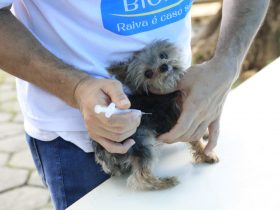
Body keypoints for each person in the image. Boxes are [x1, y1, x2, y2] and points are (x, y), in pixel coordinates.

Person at [0, 0, 269, 209]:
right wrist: (75, 87)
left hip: (192, 110)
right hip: (75, 137)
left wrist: (227, 64)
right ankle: (144, 175)